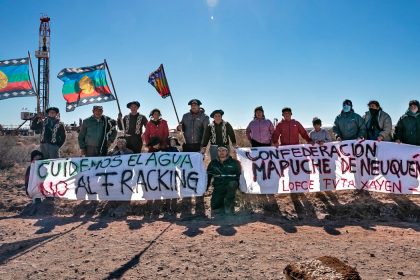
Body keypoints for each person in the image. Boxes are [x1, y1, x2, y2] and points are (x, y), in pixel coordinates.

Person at [207, 145, 241, 215]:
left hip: (230, 186)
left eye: (223, 150)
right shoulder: (213, 163)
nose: (221, 152)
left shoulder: (234, 162)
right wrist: (205, 187)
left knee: (232, 184)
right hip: (218, 186)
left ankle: (229, 205)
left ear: (227, 151)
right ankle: (222, 205)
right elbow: (208, 176)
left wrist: (240, 188)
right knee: (215, 207)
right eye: (219, 151)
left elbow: (239, 176)